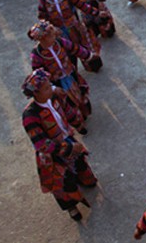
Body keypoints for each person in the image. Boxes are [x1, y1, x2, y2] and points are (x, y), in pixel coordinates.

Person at [22, 68, 97, 221]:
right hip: (52, 154)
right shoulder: (30, 116)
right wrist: (69, 149)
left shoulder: (55, 98)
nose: (51, 88)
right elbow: (42, 144)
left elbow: (68, 112)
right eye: (47, 88)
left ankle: (85, 180)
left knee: (81, 164)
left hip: (67, 140)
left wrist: (78, 124)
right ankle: (71, 207)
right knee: (62, 182)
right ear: (36, 93)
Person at [28, 21, 97, 123]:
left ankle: (84, 111)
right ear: (43, 39)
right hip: (58, 83)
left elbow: (74, 48)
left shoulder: (60, 42)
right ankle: (77, 121)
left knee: (80, 93)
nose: (54, 37)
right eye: (51, 36)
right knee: (67, 102)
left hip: (71, 75)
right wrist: (53, 88)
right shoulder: (37, 55)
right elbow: (39, 75)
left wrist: (88, 55)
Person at [37, 0, 103, 71]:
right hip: (59, 32)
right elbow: (42, 18)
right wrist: (52, 28)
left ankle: (94, 67)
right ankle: (74, 73)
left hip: (75, 27)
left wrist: (97, 12)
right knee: (67, 53)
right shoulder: (43, 1)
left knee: (84, 47)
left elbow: (81, 5)